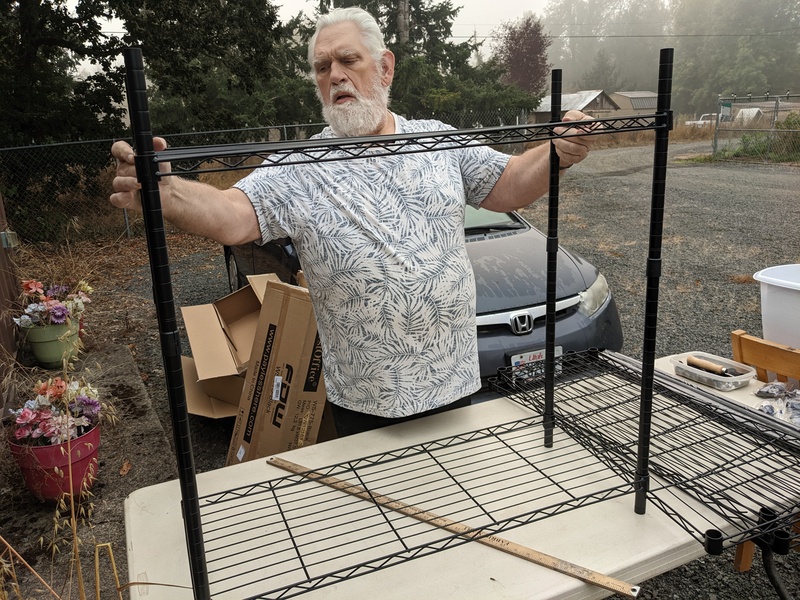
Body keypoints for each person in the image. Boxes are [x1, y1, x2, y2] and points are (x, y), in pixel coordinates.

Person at [110, 7, 596, 436]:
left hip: (454, 381)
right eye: (323, 67)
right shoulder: (300, 166)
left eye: (348, 60)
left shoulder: (436, 140)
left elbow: (508, 183)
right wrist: (170, 194)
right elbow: (233, 215)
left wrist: (555, 153)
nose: (335, 75)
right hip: (366, 403)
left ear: (384, 69)